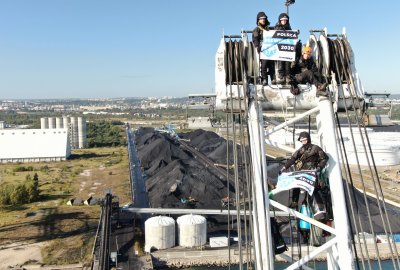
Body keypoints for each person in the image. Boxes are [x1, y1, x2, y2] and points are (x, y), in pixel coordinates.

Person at [280, 131, 329, 220]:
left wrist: (318, 168)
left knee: (313, 190)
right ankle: (295, 202)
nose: (303, 141)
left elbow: (324, 158)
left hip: (311, 173)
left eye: (305, 139)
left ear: (308, 139)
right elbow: (293, 159)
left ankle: (319, 211)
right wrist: (284, 167)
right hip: (302, 173)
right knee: (295, 185)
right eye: (302, 140)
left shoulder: (316, 148)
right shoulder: (300, 150)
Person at [252, 11, 274, 86]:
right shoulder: (256, 29)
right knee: (264, 65)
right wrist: (257, 46)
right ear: (258, 20)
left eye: (264, 18)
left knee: (271, 65)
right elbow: (255, 39)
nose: (263, 20)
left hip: (271, 50)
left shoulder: (270, 29)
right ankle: (264, 79)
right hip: (263, 50)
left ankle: (273, 79)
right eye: (261, 19)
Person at [273, 13, 292, 84]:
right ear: (280, 20)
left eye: (285, 20)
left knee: (287, 63)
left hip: (287, 48)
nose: (284, 21)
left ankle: (287, 76)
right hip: (280, 49)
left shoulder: (289, 28)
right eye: (282, 20)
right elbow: (274, 35)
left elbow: (292, 37)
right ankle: (281, 76)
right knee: (281, 62)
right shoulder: (277, 27)